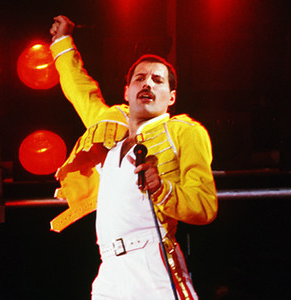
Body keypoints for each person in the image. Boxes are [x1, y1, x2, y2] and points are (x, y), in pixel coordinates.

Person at [48, 15, 218, 300]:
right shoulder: (108, 127)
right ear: (127, 92)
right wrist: (62, 43)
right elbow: (79, 90)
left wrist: (163, 190)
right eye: (140, 78)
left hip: (151, 261)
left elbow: (204, 206)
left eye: (157, 80)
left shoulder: (183, 131)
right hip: (109, 267)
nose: (147, 85)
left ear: (171, 97)